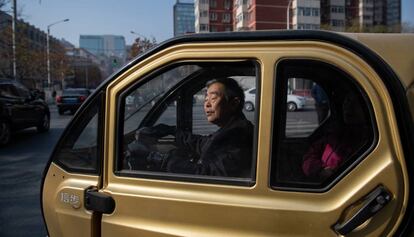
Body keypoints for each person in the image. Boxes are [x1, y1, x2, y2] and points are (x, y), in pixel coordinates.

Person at [126, 77, 254, 177]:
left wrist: (157, 158)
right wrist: (170, 130)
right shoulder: (231, 130)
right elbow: (202, 143)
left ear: (234, 103)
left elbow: (207, 175)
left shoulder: (239, 137)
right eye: (205, 99)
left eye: (213, 98)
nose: (207, 104)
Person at [302, 92, 371, 179]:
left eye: (356, 103)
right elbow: (309, 156)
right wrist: (321, 170)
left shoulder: (371, 140)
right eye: (347, 101)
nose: (348, 107)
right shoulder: (335, 133)